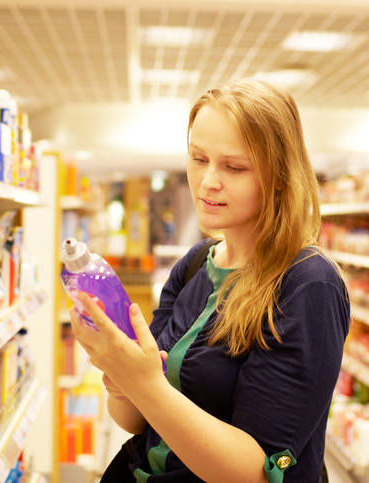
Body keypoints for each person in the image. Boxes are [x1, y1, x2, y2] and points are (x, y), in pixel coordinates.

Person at [69, 78, 350, 482]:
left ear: (280, 177)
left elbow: (257, 472)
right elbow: (134, 421)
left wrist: (146, 384)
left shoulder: (308, 284)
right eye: (199, 159)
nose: (207, 182)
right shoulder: (196, 263)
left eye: (234, 167)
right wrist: (121, 378)